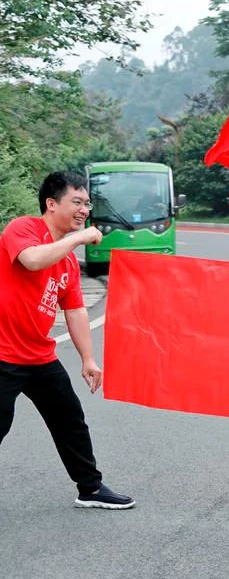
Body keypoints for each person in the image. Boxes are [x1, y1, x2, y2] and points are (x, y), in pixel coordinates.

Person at [0, 171, 134, 510]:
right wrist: (79, 239)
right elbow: (32, 260)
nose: (84, 210)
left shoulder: (68, 264)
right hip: (3, 355)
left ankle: (90, 488)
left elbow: (75, 311)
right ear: (51, 203)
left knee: (70, 420)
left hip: (39, 357)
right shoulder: (24, 228)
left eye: (87, 203)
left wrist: (88, 359)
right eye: (77, 202)